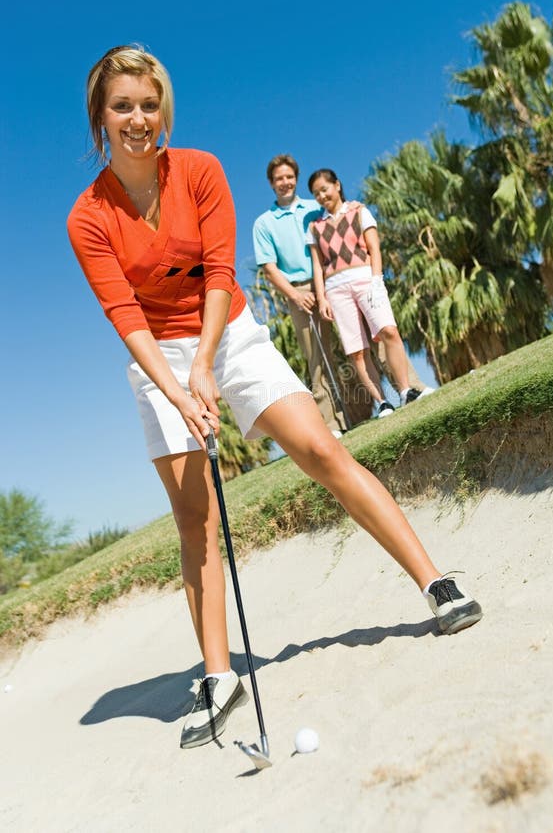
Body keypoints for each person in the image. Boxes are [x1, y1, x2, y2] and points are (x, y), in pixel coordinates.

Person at [68, 45, 482, 752]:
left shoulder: (199, 169)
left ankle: (435, 582)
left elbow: (222, 271)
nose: (137, 119)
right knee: (195, 519)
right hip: (157, 357)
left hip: (224, 329)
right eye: (121, 106)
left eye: (148, 104)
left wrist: (205, 364)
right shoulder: (89, 216)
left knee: (320, 449)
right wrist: (177, 387)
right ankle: (221, 677)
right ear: (100, 118)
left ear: (162, 109)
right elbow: (126, 319)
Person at [307, 168, 431, 418]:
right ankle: (383, 403)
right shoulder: (314, 227)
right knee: (356, 350)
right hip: (336, 289)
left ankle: (406, 390)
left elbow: (374, 248)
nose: (321, 196)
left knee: (388, 331)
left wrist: (377, 280)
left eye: (324, 189)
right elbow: (317, 267)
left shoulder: (359, 211)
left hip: (365, 279)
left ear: (337, 185)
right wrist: (322, 299)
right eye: (316, 193)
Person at [252, 155, 346, 435]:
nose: (285, 183)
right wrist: (294, 295)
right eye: (279, 179)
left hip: (331, 281)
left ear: (296, 178)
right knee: (317, 359)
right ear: (271, 183)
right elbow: (270, 268)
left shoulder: (313, 208)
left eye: (289, 177)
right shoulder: (264, 224)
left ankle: (387, 398)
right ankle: (331, 424)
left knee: (357, 344)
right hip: (299, 293)